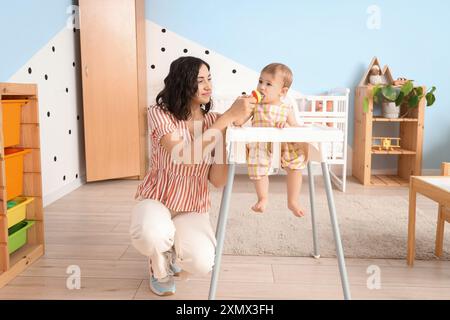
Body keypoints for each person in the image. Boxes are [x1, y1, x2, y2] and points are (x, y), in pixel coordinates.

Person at [129, 56, 254, 296]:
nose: (208, 86)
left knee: (202, 261)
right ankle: (160, 268)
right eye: (200, 80)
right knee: (150, 234)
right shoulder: (159, 114)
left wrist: (224, 132)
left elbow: (218, 181)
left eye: (209, 79)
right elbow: (184, 155)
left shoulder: (212, 121)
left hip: (192, 205)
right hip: (159, 198)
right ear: (182, 83)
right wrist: (227, 118)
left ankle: (173, 247)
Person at [233, 63, 309, 217]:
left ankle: (293, 201)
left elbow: (295, 127)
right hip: (261, 145)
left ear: (283, 91)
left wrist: (286, 126)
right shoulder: (255, 106)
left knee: (296, 166)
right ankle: (263, 198)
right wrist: (242, 106)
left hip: (283, 146)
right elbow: (238, 122)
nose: (262, 87)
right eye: (260, 81)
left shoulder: (286, 108)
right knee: (257, 167)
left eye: (268, 84)